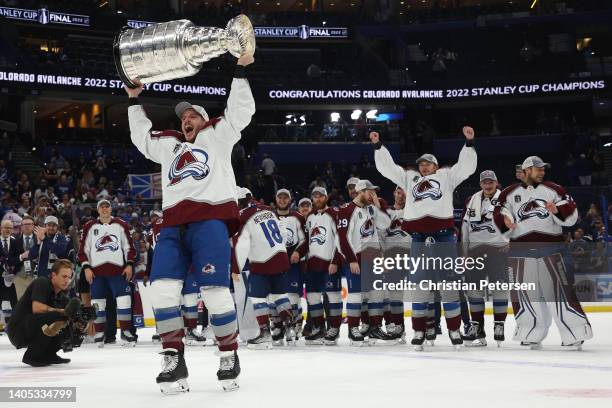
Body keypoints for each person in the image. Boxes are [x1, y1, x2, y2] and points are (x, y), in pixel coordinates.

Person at [125, 51, 255, 393]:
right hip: (171, 225)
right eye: (183, 116)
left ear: (204, 118)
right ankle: (173, 355)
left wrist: (240, 70)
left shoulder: (219, 134)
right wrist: (134, 101)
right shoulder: (168, 145)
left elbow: (242, 112)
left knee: (214, 291)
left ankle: (228, 353)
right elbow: (141, 138)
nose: (186, 118)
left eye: (193, 114)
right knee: (162, 289)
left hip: (210, 220)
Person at [370, 126, 476, 350]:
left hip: (444, 237)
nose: (423, 165)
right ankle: (419, 330)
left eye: (428, 162)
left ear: (436, 165)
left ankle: (455, 330)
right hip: (418, 238)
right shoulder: (410, 178)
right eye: (421, 163)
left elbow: (466, 167)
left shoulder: (446, 176)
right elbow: (388, 169)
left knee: (448, 284)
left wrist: (469, 144)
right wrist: (379, 147)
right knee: (420, 285)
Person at [493, 156, 592, 350]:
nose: (542, 172)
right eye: (539, 169)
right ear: (527, 170)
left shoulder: (555, 189)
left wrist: (557, 211)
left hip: (551, 247)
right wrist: (505, 220)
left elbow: (572, 214)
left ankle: (574, 333)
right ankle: (531, 332)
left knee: (560, 291)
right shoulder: (508, 193)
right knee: (524, 293)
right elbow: (499, 213)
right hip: (519, 250)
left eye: (543, 169)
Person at [232, 188, 293, 349]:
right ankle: (290, 328)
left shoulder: (242, 216)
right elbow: (282, 233)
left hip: (263, 260)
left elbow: (241, 245)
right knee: (279, 295)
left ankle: (264, 333)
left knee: (257, 298)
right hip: (281, 255)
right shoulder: (268, 209)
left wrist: (236, 268)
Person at [336, 180, 392, 345]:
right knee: (356, 295)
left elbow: (386, 224)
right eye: (370, 192)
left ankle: (374, 328)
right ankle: (353, 329)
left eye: (374, 193)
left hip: (372, 257)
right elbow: (342, 239)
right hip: (356, 257)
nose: (373, 195)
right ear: (361, 191)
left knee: (376, 294)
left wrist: (377, 205)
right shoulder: (347, 210)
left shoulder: (371, 209)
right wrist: (352, 260)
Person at [77, 199, 137, 347]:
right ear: (97, 210)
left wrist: (129, 265)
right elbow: (83, 251)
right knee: (98, 302)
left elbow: (129, 248)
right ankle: (99, 332)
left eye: (107, 206)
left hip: (118, 271)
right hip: (97, 273)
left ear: (111, 209)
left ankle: (125, 331)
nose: (104, 209)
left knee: (124, 301)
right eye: (101, 207)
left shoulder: (121, 224)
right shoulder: (89, 226)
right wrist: (86, 268)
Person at [461, 170, 509, 347]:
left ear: (496, 183)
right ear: (481, 184)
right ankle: (477, 328)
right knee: (474, 291)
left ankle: (499, 325)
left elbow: (515, 221)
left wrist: (512, 240)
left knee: (500, 289)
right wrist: (464, 253)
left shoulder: (505, 199)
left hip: (498, 250)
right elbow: (465, 228)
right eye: (484, 183)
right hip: (475, 252)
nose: (488, 186)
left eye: (491, 182)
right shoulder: (471, 200)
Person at [7, 259, 81, 366]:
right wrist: (62, 312)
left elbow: (72, 315)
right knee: (59, 316)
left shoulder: (62, 297)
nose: (67, 280)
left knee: (68, 319)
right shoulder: (42, 282)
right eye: (64, 276)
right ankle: (32, 356)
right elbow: (37, 308)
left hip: (31, 328)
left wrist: (80, 322)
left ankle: (49, 354)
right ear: (54, 275)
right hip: (18, 331)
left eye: (69, 277)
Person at [302, 187, 343, 345]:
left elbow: (340, 239)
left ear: (326, 198)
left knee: (333, 296)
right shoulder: (310, 216)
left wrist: (335, 261)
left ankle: (334, 328)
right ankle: (319, 328)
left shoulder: (334, 214)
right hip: (313, 264)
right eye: (315, 197)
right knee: (312, 297)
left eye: (320, 197)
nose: (318, 199)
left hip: (329, 263)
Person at [272, 189, 307, 341]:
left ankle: (293, 325)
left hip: (292, 262)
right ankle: (278, 327)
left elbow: (304, 239)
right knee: (273, 296)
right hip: (273, 262)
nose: (283, 200)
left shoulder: (297, 217)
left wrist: (298, 252)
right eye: (280, 197)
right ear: (276, 199)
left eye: (286, 198)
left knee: (292, 296)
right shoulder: (269, 216)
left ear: (290, 200)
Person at [1, 219, 20, 330]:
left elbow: (19, 259)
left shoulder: (15, 242)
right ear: (1, 228)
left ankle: (12, 327)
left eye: (10, 228)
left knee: (13, 301)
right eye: (6, 227)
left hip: (13, 278)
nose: (8, 230)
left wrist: (13, 272)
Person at [14, 215, 37, 300]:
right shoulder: (15, 241)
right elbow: (11, 260)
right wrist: (21, 256)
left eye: (29, 224)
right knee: (21, 303)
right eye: (24, 224)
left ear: (33, 226)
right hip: (20, 276)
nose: (27, 226)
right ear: (21, 227)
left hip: (37, 276)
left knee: (36, 302)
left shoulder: (41, 239)